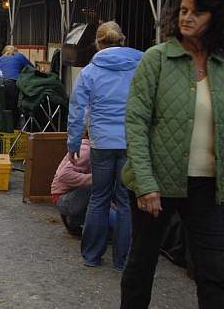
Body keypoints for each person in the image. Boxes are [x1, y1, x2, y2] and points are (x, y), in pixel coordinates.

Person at [120, 0, 224, 309]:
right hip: (155, 184)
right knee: (141, 266)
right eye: (183, 10)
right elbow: (136, 122)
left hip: (208, 188)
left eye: (197, 12)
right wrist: (145, 184)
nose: (187, 18)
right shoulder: (156, 60)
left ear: (215, 18)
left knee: (215, 273)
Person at [67, 21, 142, 269]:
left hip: (100, 141)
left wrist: (74, 140)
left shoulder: (90, 70)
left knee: (98, 198)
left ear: (98, 44)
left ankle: (91, 255)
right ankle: (122, 261)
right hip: (131, 141)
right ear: (122, 40)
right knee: (124, 201)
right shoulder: (140, 66)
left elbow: (77, 108)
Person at [51, 137, 118, 238]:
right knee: (102, 182)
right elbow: (64, 175)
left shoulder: (101, 150)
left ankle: (76, 220)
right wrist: (97, 178)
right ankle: (75, 219)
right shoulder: (86, 151)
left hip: (79, 196)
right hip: (64, 198)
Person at [0, 45, 32, 125]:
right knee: (14, 108)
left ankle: (2, 129)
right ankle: (14, 129)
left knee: (1, 109)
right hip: (12, 84)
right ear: (15, 51)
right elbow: (31, 68)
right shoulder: (19, 56)